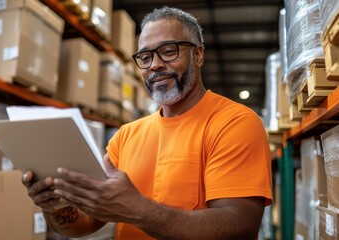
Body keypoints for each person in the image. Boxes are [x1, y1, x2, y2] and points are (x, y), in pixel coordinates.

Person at [22, 6, 272, 240]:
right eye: (145, 56)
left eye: (168, 51)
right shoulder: (127, 135)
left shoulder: (235, 122)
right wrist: (55, 206)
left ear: (198, 55)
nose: (155, 65)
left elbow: (240, 226)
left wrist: (136, 208)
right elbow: (84, 224)